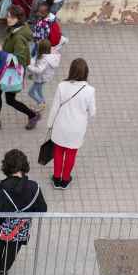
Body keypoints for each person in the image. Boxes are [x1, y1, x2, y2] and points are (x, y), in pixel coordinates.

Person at [0, 148, 47, 275]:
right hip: (19, 229)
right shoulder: (35, 188)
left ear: (5, 167)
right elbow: (42, 209)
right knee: (13, 249)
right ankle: (4, 270)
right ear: (24, 166)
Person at [0, 7, 39, 131]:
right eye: (8, 15)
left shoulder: (19, 37)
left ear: (18, 19)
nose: (8, 18)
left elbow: (20, 59)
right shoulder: (19, 28)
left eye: (11, 17)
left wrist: (1, 53)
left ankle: (33, 115)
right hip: (6, 70)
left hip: (12, 73)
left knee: (10, 100)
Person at [44, 57, 94, 189]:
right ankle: (65, 180)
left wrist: (49, 124)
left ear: (71, 70)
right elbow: (92, 112)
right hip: (77, 128)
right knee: (71, 153)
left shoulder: (62, 86)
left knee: (58, 152)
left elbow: (55, 107)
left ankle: (56, 178)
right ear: (86, 73)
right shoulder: (90, 90)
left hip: (61, 125)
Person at [25, 0, 62, 111]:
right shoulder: (51, 18)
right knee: (39, 89)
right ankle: (41, 103)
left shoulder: (43, 24)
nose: (38, 14)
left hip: (41, 77)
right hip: (44, 76)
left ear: (45, 13)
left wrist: (29, 65)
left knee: (31, 92)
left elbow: (39, 69)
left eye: (40, 13)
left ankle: (41, 103)